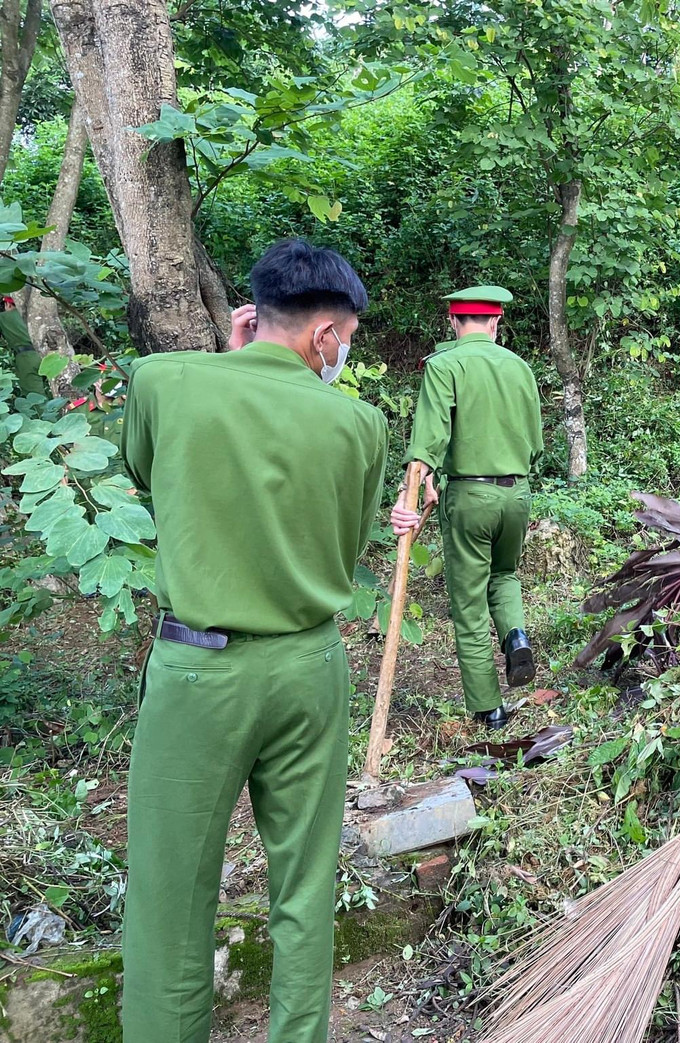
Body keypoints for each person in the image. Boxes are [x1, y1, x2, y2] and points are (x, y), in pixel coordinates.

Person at [118, 239, 388, 1043]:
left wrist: (225, 366)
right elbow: (351, 542)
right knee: (303, 887)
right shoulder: (360, 423)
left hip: (197, 672)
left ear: (254, 316)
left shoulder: (165, 382)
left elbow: (149, 474)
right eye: (346, 340)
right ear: (325, 337)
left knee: (171, 894)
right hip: (309, 666)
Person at [391, 286, 543, 730]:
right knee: (506, 574)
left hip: (469, 496)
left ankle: (488, 708)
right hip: (517, 494)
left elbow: (427, 442)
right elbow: (535, 444)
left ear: (454, 324)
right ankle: (515, 635)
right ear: (496, 323)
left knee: (470, 603)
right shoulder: (521, 368)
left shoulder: (444, 366)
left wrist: (413, 488)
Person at [1, 294, 45, 398]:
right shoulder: (34, 314)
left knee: (34, 395)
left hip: (27, 358)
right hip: (47, 353)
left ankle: (43, 414)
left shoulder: (4, 318)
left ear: (8, 304)